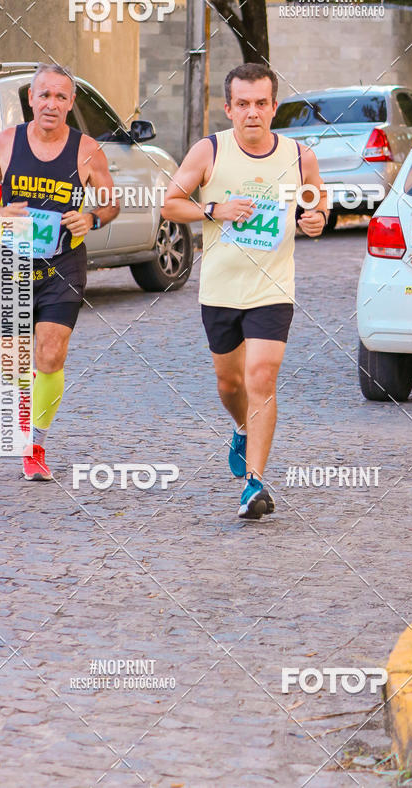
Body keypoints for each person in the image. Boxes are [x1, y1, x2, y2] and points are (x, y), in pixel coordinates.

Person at [161, 62, 326, 519]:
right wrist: (217, 208)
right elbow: (170, 203)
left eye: (261, 104)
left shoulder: (299, 156)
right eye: (243, 104)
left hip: (272, 288)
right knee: (230, 382)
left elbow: (315, 201)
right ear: (229, 108)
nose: (252, 113)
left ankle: (254, 485)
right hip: (220, 288)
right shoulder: (209, 150)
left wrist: (315, 218)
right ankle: (240, 428)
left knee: (261, 378)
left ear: (274, 107)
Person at [0, 62, 118, 480]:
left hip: (64, 263)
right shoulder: (6, 142)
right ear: (31, 99)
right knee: (15, 365)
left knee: (51, 354)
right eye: (44, 95)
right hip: (14, 262)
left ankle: (34, 443)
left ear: (71, 104)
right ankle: (24, 407)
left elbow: (110, 204)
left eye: (60, 96)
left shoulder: (87, 149)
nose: (51, 103)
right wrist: (0, 210)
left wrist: (91, 219)